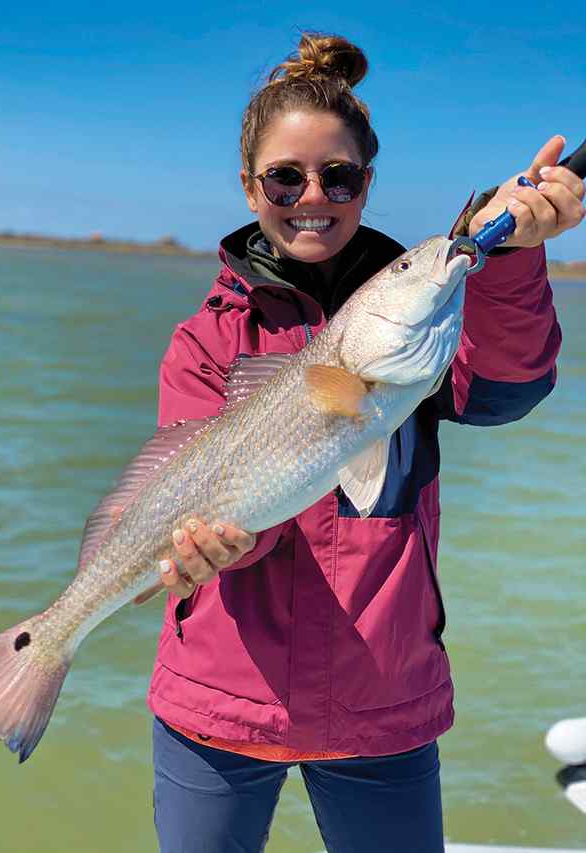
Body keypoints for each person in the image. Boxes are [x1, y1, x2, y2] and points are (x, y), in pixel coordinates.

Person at [147, 33, 585, 853]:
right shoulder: (205, 340)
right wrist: (212, 547)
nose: (311, 194)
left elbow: (503, 391)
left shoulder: (416, 320)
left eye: (337, 175)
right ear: (250, 187)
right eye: (285, 175)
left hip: (382, 700)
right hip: (219, 695)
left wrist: (517, 260)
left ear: (366, 184)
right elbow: (203, 494)